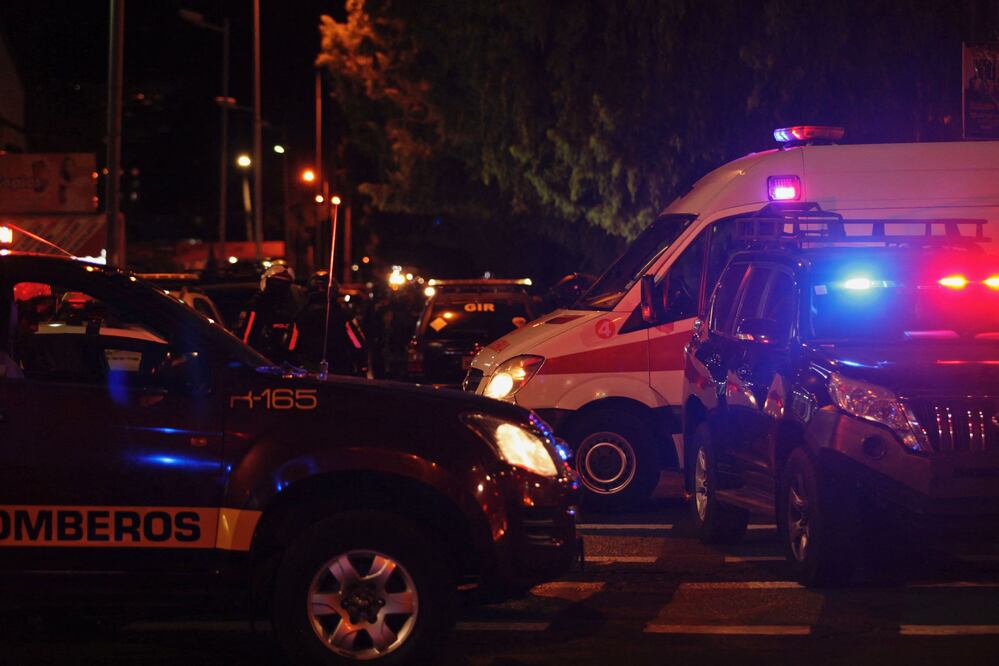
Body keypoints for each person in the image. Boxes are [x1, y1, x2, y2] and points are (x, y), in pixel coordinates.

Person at [287, 271, 367, 376]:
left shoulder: (301, 316)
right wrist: (362, 368)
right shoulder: (344, 316)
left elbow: (290, 347)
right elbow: (358, 344)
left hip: (309, 374)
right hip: (339, 373)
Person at [233, 264, 303, 363]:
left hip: (273, 363)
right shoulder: (259, 305)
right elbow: (247, 338)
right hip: (263, 362)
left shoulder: (291, 307)